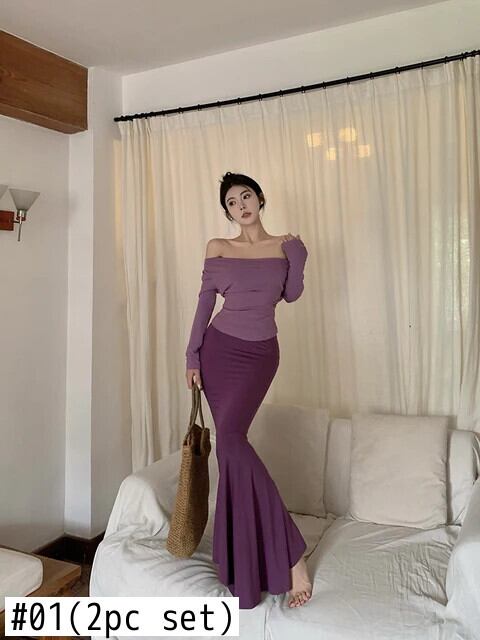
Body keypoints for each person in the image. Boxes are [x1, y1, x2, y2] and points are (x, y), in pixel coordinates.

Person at [185, 171, 311, 609]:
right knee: (229, 448)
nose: (241, 206)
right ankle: (245, 561)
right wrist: (192, 355)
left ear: (260, 198)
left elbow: (291, 294)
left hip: (260, 355)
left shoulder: (284, 246)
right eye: (232, 202)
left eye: (246, 196)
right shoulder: (218, 247)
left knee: (232, 443)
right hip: (219, 352)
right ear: (227, 212)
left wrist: (299, 255)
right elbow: (205, 302)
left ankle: (288, 553)